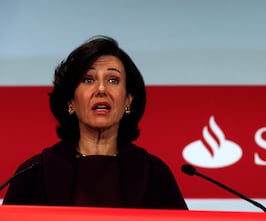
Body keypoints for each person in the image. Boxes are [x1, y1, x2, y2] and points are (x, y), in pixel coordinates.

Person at [3, 36, 188, 210]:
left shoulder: (155, 174)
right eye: (88, 80)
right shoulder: (35, 173)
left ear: (128, 100)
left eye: (113, 80)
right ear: (71, 101)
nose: (101, 89)